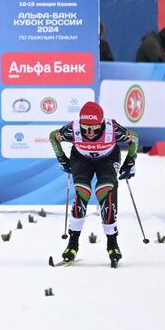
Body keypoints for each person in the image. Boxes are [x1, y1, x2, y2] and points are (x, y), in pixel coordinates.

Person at [49, 101, 139, 265]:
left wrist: (130, 161)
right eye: (85, 128)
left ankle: (112, 243)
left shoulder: (113, 129)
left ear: (102, 123)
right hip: (82, 159)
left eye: (95, 128)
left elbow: (134, 138)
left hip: (108, 159)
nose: (90, 132)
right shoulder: (73, 129)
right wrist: (62, 159)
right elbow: (53, 137)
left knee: (104, 190)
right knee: (82, 191)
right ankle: (72, 243)